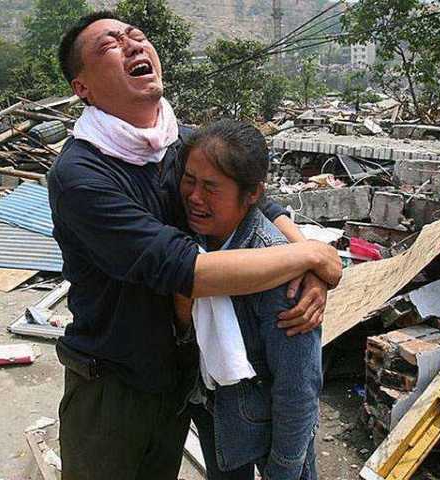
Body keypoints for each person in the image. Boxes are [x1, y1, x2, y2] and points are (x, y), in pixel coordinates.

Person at [48, 11, 341, 480]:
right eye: (109, 45)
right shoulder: (82, 176)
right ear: (82, 87)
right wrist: (311, 255)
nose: (132, 44)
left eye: (136, 36)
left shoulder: (179, 143)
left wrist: (312, 271)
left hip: (179, 379)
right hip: (113, 386)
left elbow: (258, 199)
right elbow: (187, 271)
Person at [176, 119, 322, 480]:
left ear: (253, 193)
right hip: (216, 411)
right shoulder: (193, 240)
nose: (195, 197)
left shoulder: (280, 272)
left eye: (211, 187)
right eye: (190, 180)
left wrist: (284, 468)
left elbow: (297, 388)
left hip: (271, 423)